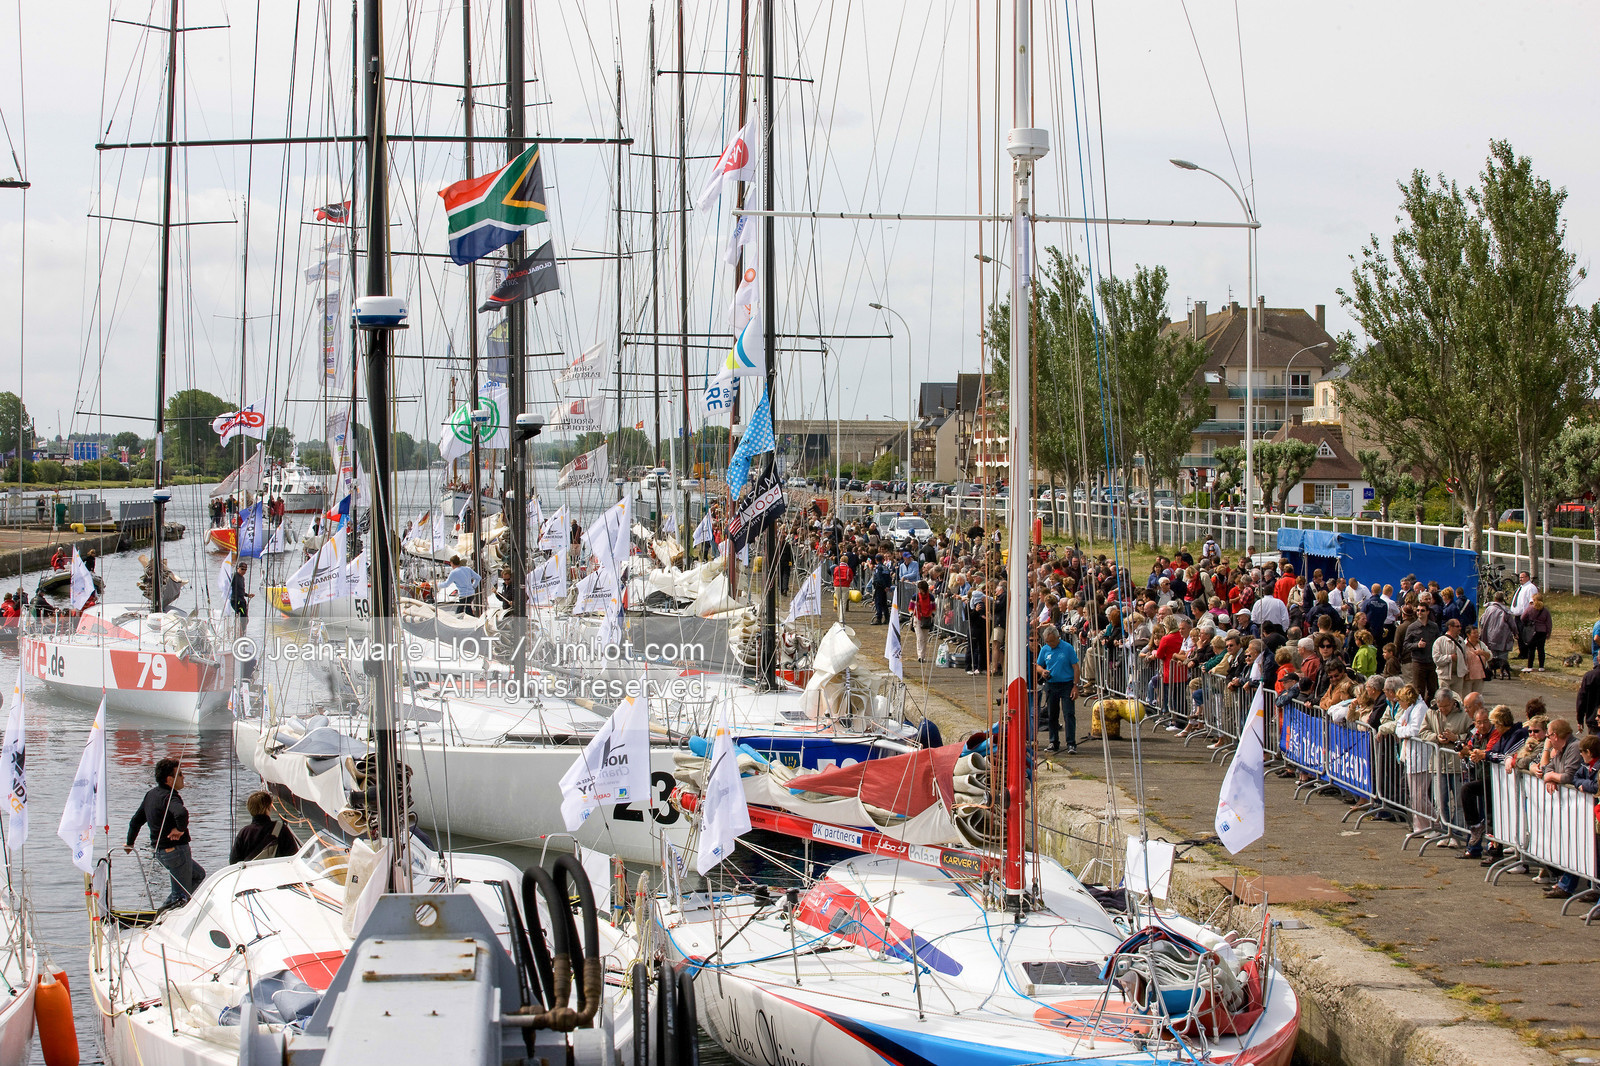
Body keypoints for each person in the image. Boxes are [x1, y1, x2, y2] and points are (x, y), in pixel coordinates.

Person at [125, 757, 205, 910]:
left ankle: (162, 912)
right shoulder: (170, 797)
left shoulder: (151, 795)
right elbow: (181, 813)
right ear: (169, 779)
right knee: (181, 896)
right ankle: (163, 920)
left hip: (161, 853)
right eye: (180, 774)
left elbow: (135, 821)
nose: (184, 777)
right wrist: (180, 830)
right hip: (176, 851)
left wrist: (130, 843)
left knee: (198, 875)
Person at [1034, 625, 1080, 753]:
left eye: (1052, 641)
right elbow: (1038, 665)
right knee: (1052, 714)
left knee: (1068, 713)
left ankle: (1071, 743)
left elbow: (1076, 667)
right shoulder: (1045, 649)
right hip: (1051, 684)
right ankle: (1053, 741)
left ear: (1057, 637)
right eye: (1048, 642)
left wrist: (1075, 686)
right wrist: (1043, 671)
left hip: (1066, 684)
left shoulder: (1067, 648)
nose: (1051, 644)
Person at [230, 791, 300, 864]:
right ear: (268, 807)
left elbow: (233, 862)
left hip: (251, 873)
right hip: (275, 871)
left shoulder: (244, 833)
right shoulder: (280, 829)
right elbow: (293, 856)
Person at [1519, 592, 1552, 673]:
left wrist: (1527, 623)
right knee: (1541, 649)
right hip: (1542, 631)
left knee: (1531, 649)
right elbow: (1549, 623)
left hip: (1532, 631)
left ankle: (1530, 666)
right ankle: (1541, 666)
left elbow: (1522, 617)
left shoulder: (1530, 609)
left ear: (1533, 600)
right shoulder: (1545, 610)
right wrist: (1548, 632)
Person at [229, 562, 253, 631]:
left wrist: (247, 595)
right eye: (242, 569)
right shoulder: (234, 576)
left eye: (245, 570)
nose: (244, 571)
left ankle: (242, 632)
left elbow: (241, 591)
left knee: (246, 619)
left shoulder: (242, 578)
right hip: (236, 600)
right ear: (238, 568)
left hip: (242, 600)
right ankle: (240, 632)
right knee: (243, 618)